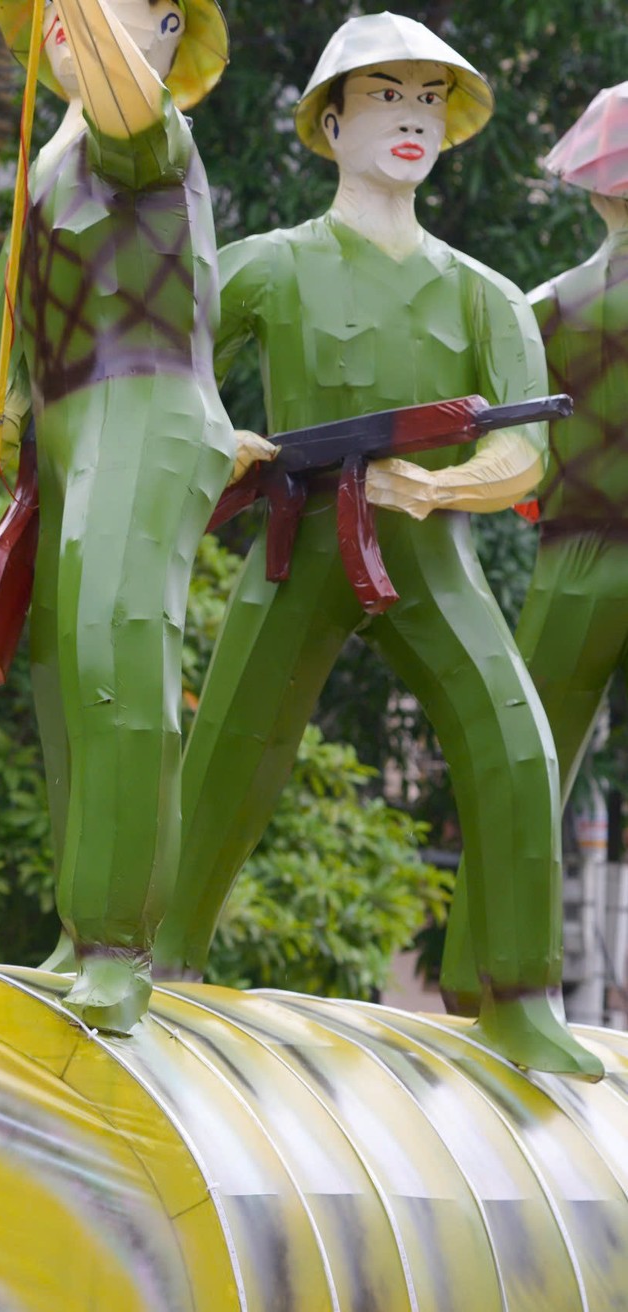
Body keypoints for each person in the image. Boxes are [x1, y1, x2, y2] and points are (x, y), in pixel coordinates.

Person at [149, 13, 600, 1077]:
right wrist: (223, 441)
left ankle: (517, 991)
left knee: (516, 737)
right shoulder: (268, 267)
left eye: (428, 102)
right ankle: (162, 958)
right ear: (332, 119)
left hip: (425, 551)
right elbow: (167, 362)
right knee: (226, 750)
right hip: (298, 538)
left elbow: (527, 453)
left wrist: (441, 483)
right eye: (386, 98)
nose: (410, 121)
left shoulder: (483, 293)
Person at [0, 0, 238, 1032]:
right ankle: (81, 929)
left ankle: (125, 941)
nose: (76, 22)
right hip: (66, 428)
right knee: (58, 673)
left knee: (115, 655)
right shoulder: (45, 163)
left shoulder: (148, 134)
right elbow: (7, 307)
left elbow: (127, 97)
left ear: (168, 30)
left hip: (148, 404)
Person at [441, 82, 628, 1012]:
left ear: (593, 190)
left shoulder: (542, 308)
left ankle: (475, 977)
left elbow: (513, 453)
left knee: (528, 762)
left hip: (574, 554)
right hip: (582, 542)